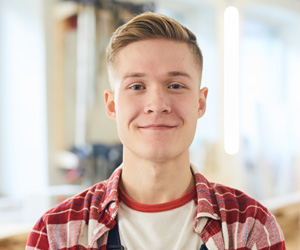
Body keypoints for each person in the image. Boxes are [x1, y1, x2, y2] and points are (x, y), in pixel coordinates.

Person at [26, 12, 285, 250]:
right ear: (112, 105)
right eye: (137, 86)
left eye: (175, 85)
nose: (157, 105)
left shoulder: (250, 227)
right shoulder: (56, 234)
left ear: (200, 102)